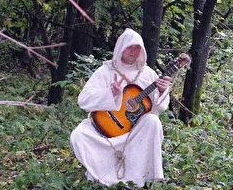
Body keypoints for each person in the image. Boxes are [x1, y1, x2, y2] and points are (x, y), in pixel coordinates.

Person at [70, 28, 190, 187]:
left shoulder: (148, 74)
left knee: (153, 121)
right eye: (129, 47)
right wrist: (110, 94)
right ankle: (101, 175)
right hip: (105, 128)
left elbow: (159, 107)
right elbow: (83, 100)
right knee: (79, 135)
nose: (133, 51)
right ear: (121, 47)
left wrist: (161, 90)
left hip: (134, 131)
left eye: (137, 47)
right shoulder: (106, 71)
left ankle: (141, 178)